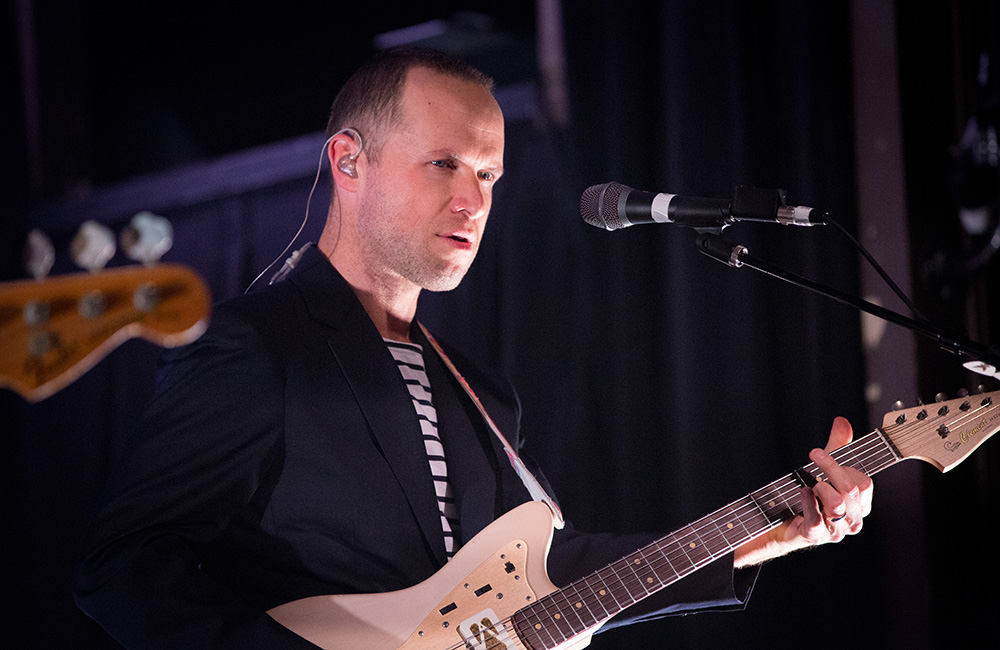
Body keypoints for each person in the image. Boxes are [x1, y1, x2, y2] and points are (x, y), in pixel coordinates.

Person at [72, 47, 873, 649]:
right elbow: (123, 567)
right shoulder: (257, 347)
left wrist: (779, 526)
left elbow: (550, 577)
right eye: (442, 164)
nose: (472, 200)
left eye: (488, 175)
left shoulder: (482, 397)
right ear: (348, 161)